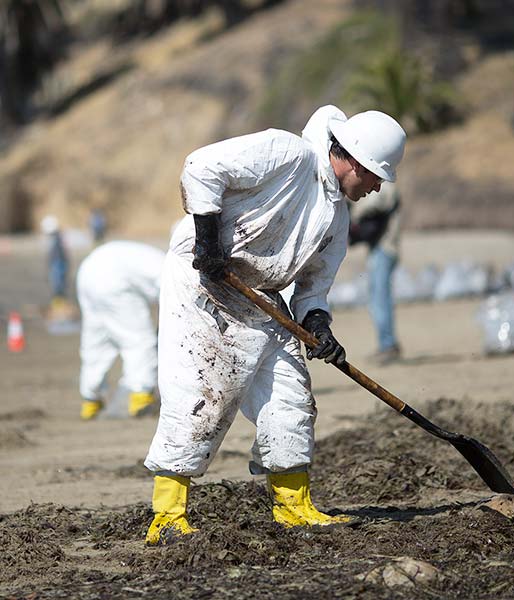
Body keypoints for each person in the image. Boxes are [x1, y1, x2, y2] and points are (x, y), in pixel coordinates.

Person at [144, 104, 406, 545]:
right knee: (202, 395)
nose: (377, 187)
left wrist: (319, 326)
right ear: (355, 160)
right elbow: (201, 167)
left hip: (260, 297)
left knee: (291, 394)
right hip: (203, 282)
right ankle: (167, 516)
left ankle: (293, 507)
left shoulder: (337, 216)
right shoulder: (288, 154)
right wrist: (208, 243)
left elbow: (312, 289)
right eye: (376, 176)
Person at [76, 241, 165, 421]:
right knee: (139, 340)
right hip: (114, 280)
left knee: (96, 341)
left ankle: (90, 400)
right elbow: (175, 306)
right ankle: (141, 397)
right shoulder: (174, 270)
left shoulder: (156, 258)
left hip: (88, 272)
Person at [348, 181, 403, 365]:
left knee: (380, 298)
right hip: (379, 248)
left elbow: (376, 203)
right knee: (377, 298)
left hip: (385, 249)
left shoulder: (385, 186)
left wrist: (353, 209)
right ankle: (386, 344)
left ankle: (388, 345)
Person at [40, 215, 70, 308]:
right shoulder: (57, 237)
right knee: (57, 282)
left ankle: (59, 302)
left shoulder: (57, 238)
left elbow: (59, 253)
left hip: (58, 263)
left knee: (58, 283)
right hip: (57, 262)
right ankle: (58, 301)